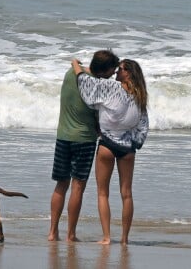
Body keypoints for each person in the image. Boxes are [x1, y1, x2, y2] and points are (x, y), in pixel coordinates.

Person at [72, 58, 149, 245]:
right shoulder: (140, 96)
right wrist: (134, 144)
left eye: (120, 70)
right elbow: (143, 126)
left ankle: (106, 237)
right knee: (127, 194)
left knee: (102, 193)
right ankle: (124, 239)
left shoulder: (112, 88)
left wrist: (76, 65)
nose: (116, 73)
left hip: (107, 145)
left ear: (128, 73)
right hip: (127, 149)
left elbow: (87, 82)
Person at [48, 50, 119, 242]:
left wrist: (74, 62)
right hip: (85, 139)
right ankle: (70, 234)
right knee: (77, 187)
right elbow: (100, 119)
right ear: (103, 71)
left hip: (63, 136)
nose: (113, 76)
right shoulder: (97, 85)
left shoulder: (70, 73)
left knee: (60, 185)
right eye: (112, 72)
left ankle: (52, 233)